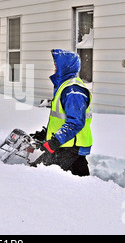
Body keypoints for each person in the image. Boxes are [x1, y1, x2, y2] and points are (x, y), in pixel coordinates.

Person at [30, 49, 93, 177]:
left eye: (56, 66)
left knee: (37, 175)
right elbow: (61, 119)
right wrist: (45, 135)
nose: (54, 69)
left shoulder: (73, 91)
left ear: (65, 67)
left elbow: (75, 123)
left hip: (70, 150)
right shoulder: (65, 86)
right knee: (38, 174)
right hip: (63, 146)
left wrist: (54, 142)